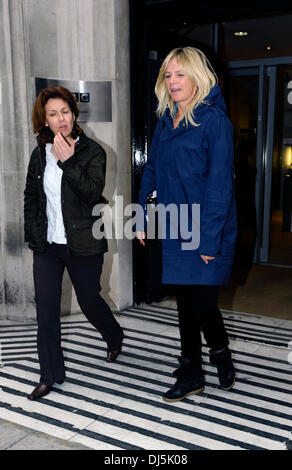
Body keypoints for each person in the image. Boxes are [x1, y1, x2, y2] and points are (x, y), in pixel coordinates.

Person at [137, 47, 237, 402]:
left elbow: (219, 188)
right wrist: (141, 217)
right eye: (168, 75)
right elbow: (151, 170)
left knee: (203, 303)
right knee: (184, 301)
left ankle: (220, 351)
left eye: (180, 74)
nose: (173, 81)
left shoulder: (214, 121)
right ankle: (192, 366)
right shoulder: (166, 121)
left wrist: (210, 242)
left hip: (209, 228)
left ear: (197, 77)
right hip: (175, 224)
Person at [24, 86, 124, 400]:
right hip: (48, 247)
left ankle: (113, 335)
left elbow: (93, 193)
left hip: (83, 243)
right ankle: (49, 375)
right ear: (44, 120)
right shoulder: (39, 153)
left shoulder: (93, 151)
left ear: (74, 112)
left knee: (90, 300)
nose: (60, 119)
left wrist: (68, 161)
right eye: (52, 114)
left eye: (65, 111)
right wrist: (33, 236)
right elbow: (31, 197)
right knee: (46, 311)